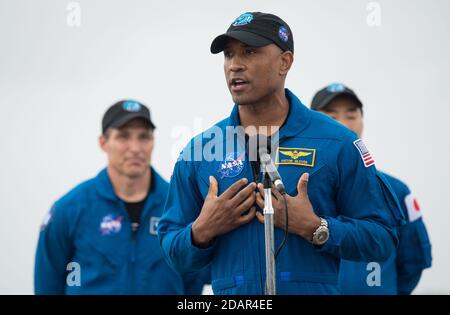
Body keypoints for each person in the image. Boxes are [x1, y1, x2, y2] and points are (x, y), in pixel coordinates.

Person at [157, 12, 403, 295]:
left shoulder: (337, 143)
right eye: (228, 54)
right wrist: (201, 231)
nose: (235, 65)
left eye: (249, 52)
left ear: (284, 62)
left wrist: (316, 228)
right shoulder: (199, 152)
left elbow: (383, 237)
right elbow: (173, 252)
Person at [35, 100, 206, 294]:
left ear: (153, 142)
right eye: (123, 136)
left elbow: (194, 279)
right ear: (103, 143)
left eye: (143, 137)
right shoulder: (69, 209)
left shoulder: (180, 205)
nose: (135, 147)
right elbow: (47, 285)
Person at [310, 83, 432, 294]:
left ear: (362, 121)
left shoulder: (396, 191)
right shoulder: (299, 191)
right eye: (331, 115)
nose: (344, 125)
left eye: (351, 115)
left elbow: (413, 263)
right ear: (313, 123)